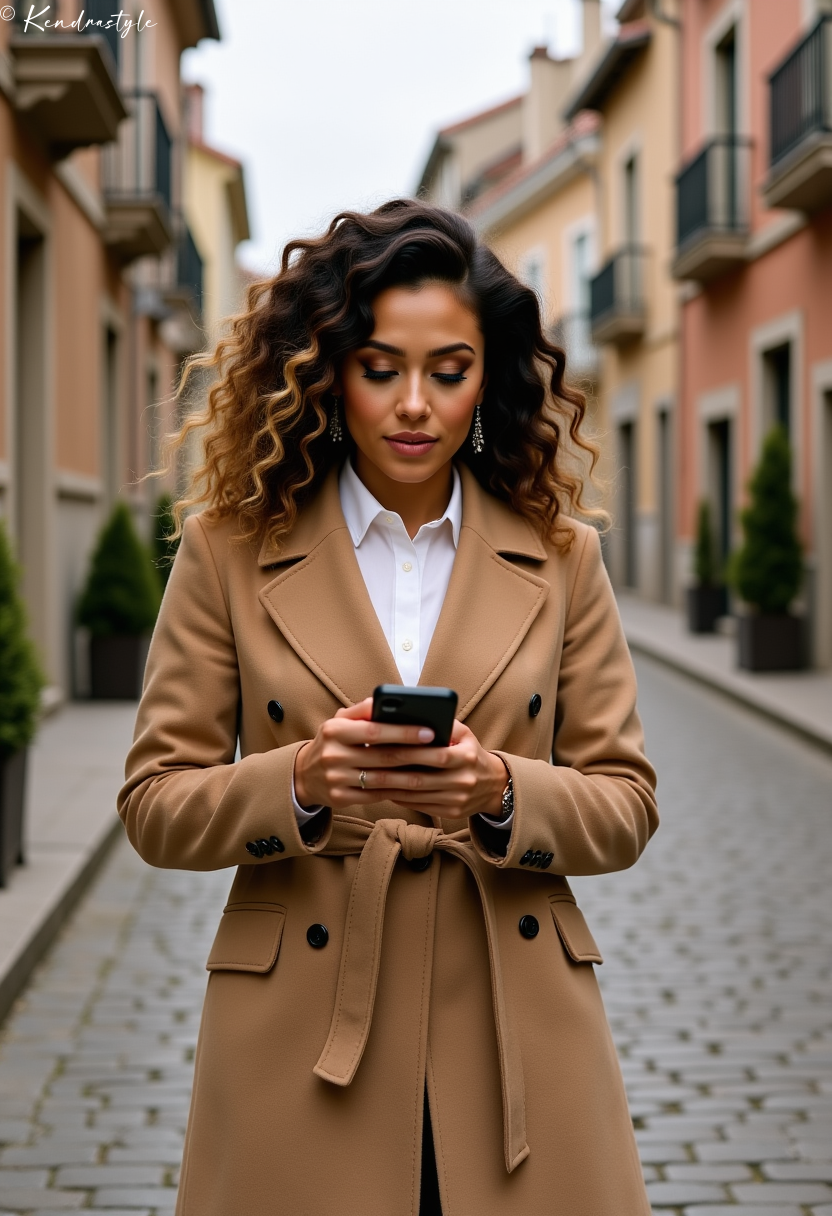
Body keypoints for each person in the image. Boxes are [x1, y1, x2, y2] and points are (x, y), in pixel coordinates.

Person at [118, 199, 658, 1216]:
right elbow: (154, 801)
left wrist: (497, 789)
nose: (414, 403)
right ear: (330, 374)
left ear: (484, 377)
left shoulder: (562, 556)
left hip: (513, 1023)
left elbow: (625, 802)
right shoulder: (227, 552)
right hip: (301, 1030)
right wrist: (302, 784)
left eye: (447, 371)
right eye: (379, 368)